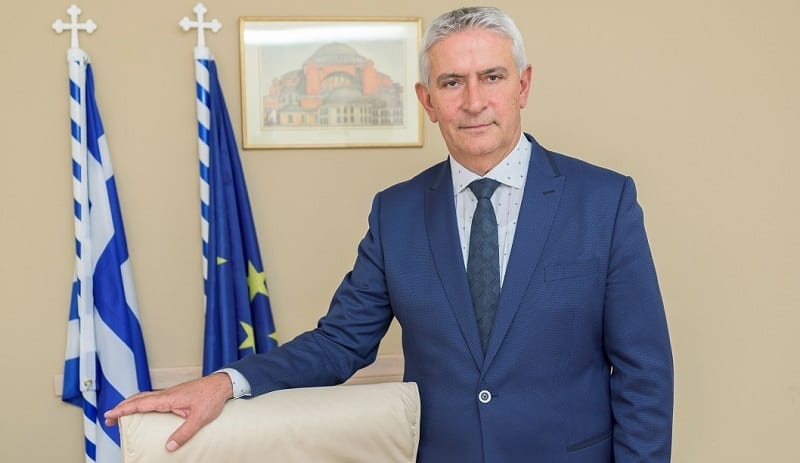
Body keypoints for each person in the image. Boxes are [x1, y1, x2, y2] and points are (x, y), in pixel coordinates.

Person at [106, 6, 673, 462]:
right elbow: (340, 343)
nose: (474, 101)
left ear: (522, 85)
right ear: (428, 100)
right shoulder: (396, 213)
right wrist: (226, 383)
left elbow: (644, 372)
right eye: (451, 82)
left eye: (492, 77)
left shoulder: (604, 201)